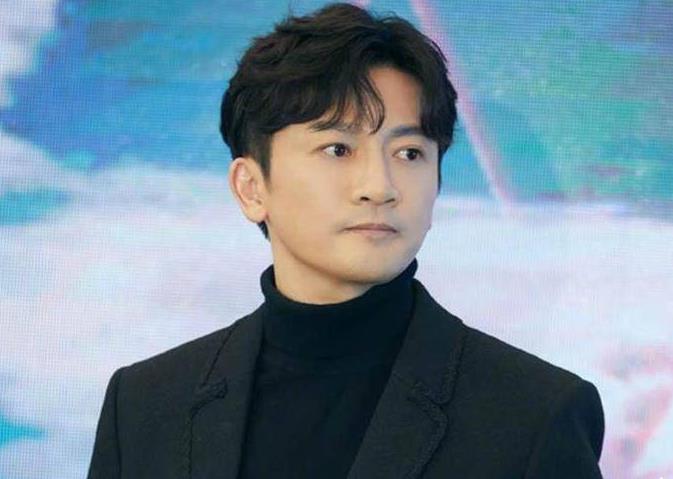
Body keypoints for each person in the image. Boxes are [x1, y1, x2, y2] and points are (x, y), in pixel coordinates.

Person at [87, 3, 605, 478]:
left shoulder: (535, 416)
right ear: (251, 188)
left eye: (409, 153)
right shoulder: (145, 407)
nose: (379, 187)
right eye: (338, 149)